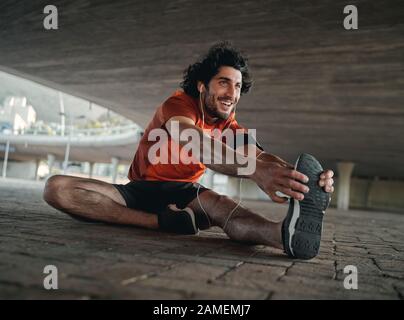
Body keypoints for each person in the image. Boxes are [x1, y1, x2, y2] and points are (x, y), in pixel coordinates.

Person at [43, 41, 334, 259]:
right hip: (137, 191)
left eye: (237, 86)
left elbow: (259, 156)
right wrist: (255, 171)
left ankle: (284, 236)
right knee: (56, 188)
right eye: (223, 83)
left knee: (226, 210)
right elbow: (191, 140)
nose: (232, 94)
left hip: (187, 193)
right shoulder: (179, 105)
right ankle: (160, 223)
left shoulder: (228, 125)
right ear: (201, 85)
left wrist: (300, 177)